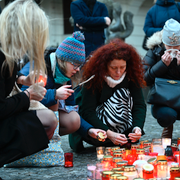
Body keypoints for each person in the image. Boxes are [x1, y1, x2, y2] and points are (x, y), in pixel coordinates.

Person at [0, 0, 58, 167]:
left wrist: (22, 79)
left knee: (48, 119)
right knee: (46, 120)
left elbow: (5, 74)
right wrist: (28, 95)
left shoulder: (7, 51)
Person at [20, 31, 107, 141]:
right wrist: (55, 94)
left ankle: (46, 140)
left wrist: (89, 130)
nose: (78, 69)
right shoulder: (39, 67)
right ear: (62, 60)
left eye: (79, 65)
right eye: (75, 65)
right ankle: (34, 141)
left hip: (44, 117)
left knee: (74, 119)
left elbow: (71, 108)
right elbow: (23, 99)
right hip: (24, 116)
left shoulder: (64, 75)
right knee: (54, 101)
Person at [69, 38, 146, 152]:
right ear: (104, 65)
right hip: (97, 131)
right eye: (114, 68)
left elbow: (139, 105)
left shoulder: (131, 77)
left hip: (124, 130)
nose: (118, 72)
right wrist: (109, 133)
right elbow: (87, 112)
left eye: (122, 67)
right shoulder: (93, 79)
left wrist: (137, 127)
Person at [143, 18, 180, 138]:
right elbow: (143, 79)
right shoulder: (155, 50)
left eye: (177, 46)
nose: (173, 49)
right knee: (166, 115)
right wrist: (162, 65)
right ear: (163, 42)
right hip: (163, 100)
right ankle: (167, 127)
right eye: (169, 45)